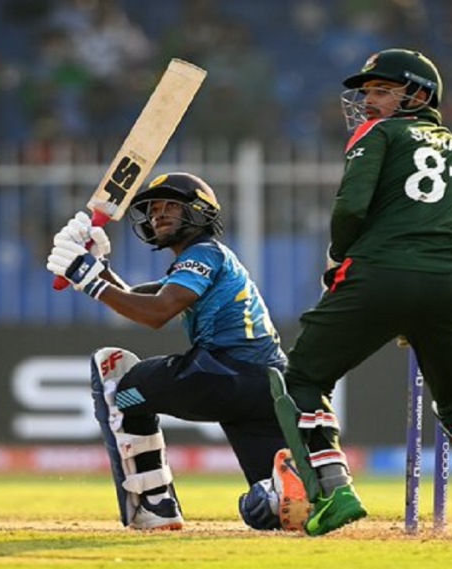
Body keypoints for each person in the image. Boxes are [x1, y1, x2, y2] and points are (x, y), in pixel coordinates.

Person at [269, 48, 452, 538]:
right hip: (449, 284)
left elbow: (351, 208)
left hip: (377, 275)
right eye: (367, 91)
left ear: (418, 95)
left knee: (302, 378)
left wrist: (339, 257)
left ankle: (334, 490)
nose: (368, 101)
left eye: (382, 90)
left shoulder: (379, 134)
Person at [47, 172, 307, 531]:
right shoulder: (208, 260)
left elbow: (156, 313)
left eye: (171, 205)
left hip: (222, 374)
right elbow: (138, 298)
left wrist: (87, 277)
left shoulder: (204, 253)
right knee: (265, 508)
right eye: (154, 209)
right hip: (266, 388)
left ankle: (156, 504)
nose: (159, 214)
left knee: (120, 390)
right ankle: (292, 488)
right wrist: (96, 268)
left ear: (200, 212)